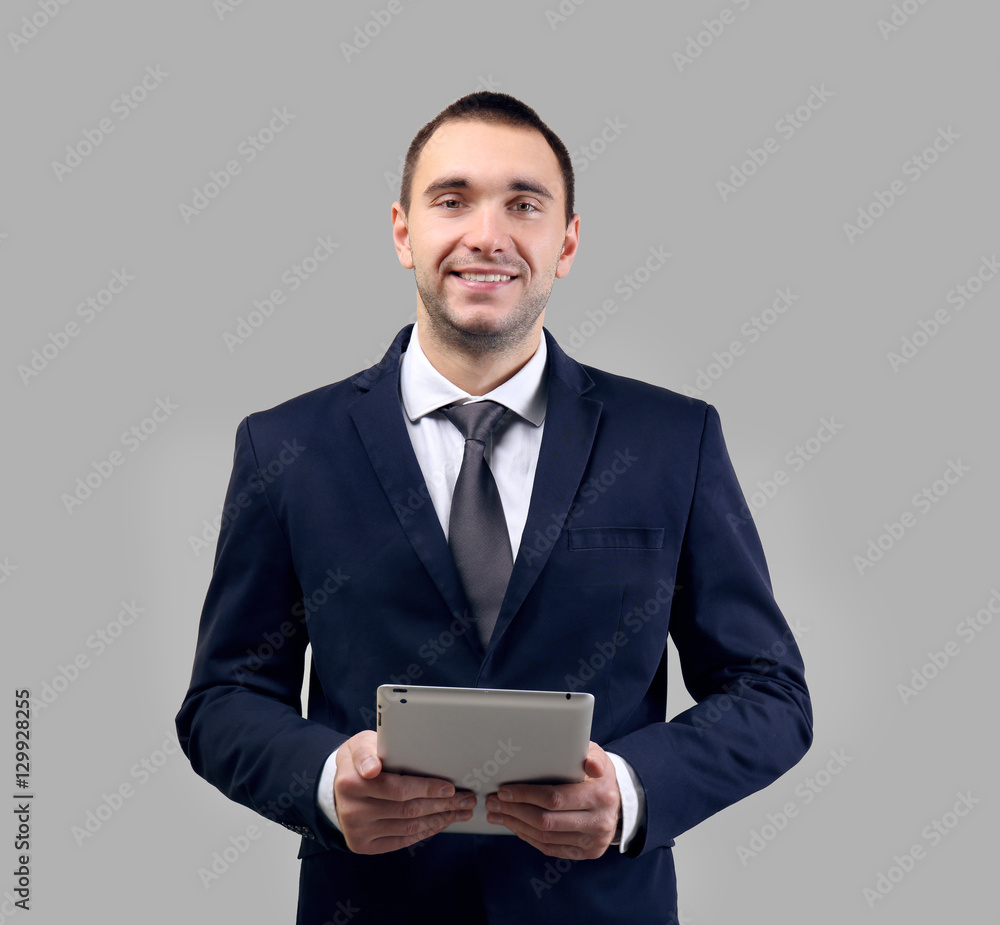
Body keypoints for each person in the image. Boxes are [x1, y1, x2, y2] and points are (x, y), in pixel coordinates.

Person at [176, 91, 812, 925]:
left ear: (566, 242)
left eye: (523, 203)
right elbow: (222, 697)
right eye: (453, 199)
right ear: (404, 232)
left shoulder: (673, 439)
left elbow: (770, 692)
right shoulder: (284, 447)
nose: (487, 234)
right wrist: (327, 781)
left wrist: (629, 790)